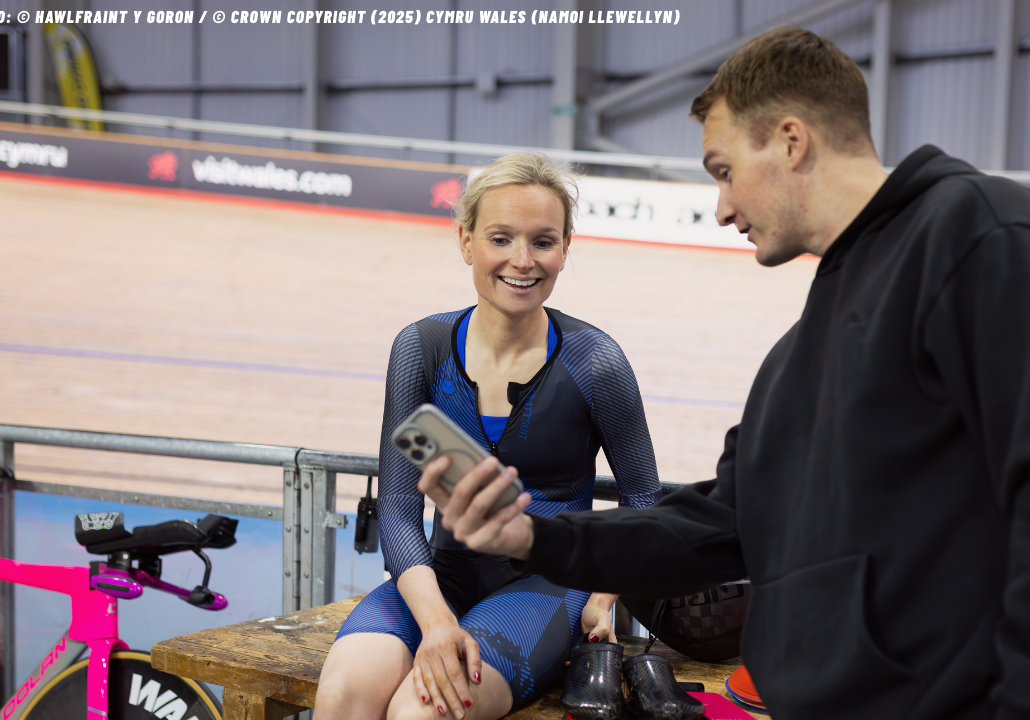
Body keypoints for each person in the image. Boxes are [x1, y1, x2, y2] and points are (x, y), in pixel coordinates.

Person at [419, 26, 1030, 720]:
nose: (722, 209)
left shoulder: (978, 237)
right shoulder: (801, 349)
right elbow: (721, 525)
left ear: (790, 141)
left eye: (723, 169)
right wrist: (535, 540)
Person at [314, 152, 663, 720]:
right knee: (342, 696)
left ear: (566, 249)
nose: (522, 261)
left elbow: (643, 497)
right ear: (466, 240)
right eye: (501, 238)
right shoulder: (421, 349)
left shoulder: (596, 362)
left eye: (543, 242)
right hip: (442, 580)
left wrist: (607, 592)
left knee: (420, 712)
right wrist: (436, 623)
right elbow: (401, 511)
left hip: (547, 587)